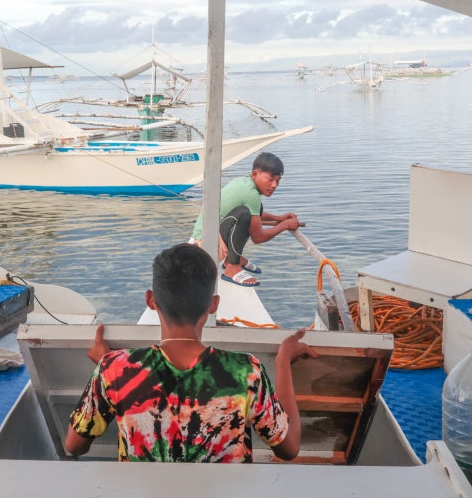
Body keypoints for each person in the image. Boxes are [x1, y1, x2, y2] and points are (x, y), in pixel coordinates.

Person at [65, 243, 316, 462]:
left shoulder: (114, 370)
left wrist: (108, 368)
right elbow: (289, 448)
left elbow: (74, 445)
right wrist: (283, 359)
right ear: (213, 305)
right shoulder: (246, 372)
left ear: (151, 300)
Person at [190, 152, 302, 287]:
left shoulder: (244, 182)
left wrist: (278, 218)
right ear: (255, 174)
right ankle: (232, 266)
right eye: (271, 179)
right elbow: (258, 237)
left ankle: (229, 258)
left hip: (203, 236)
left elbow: (256, 214)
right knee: (244, 215)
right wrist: (285, 226)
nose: (274, 185)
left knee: (250, 212)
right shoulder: (251, 194)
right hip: (204, 246)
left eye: (278, 180)